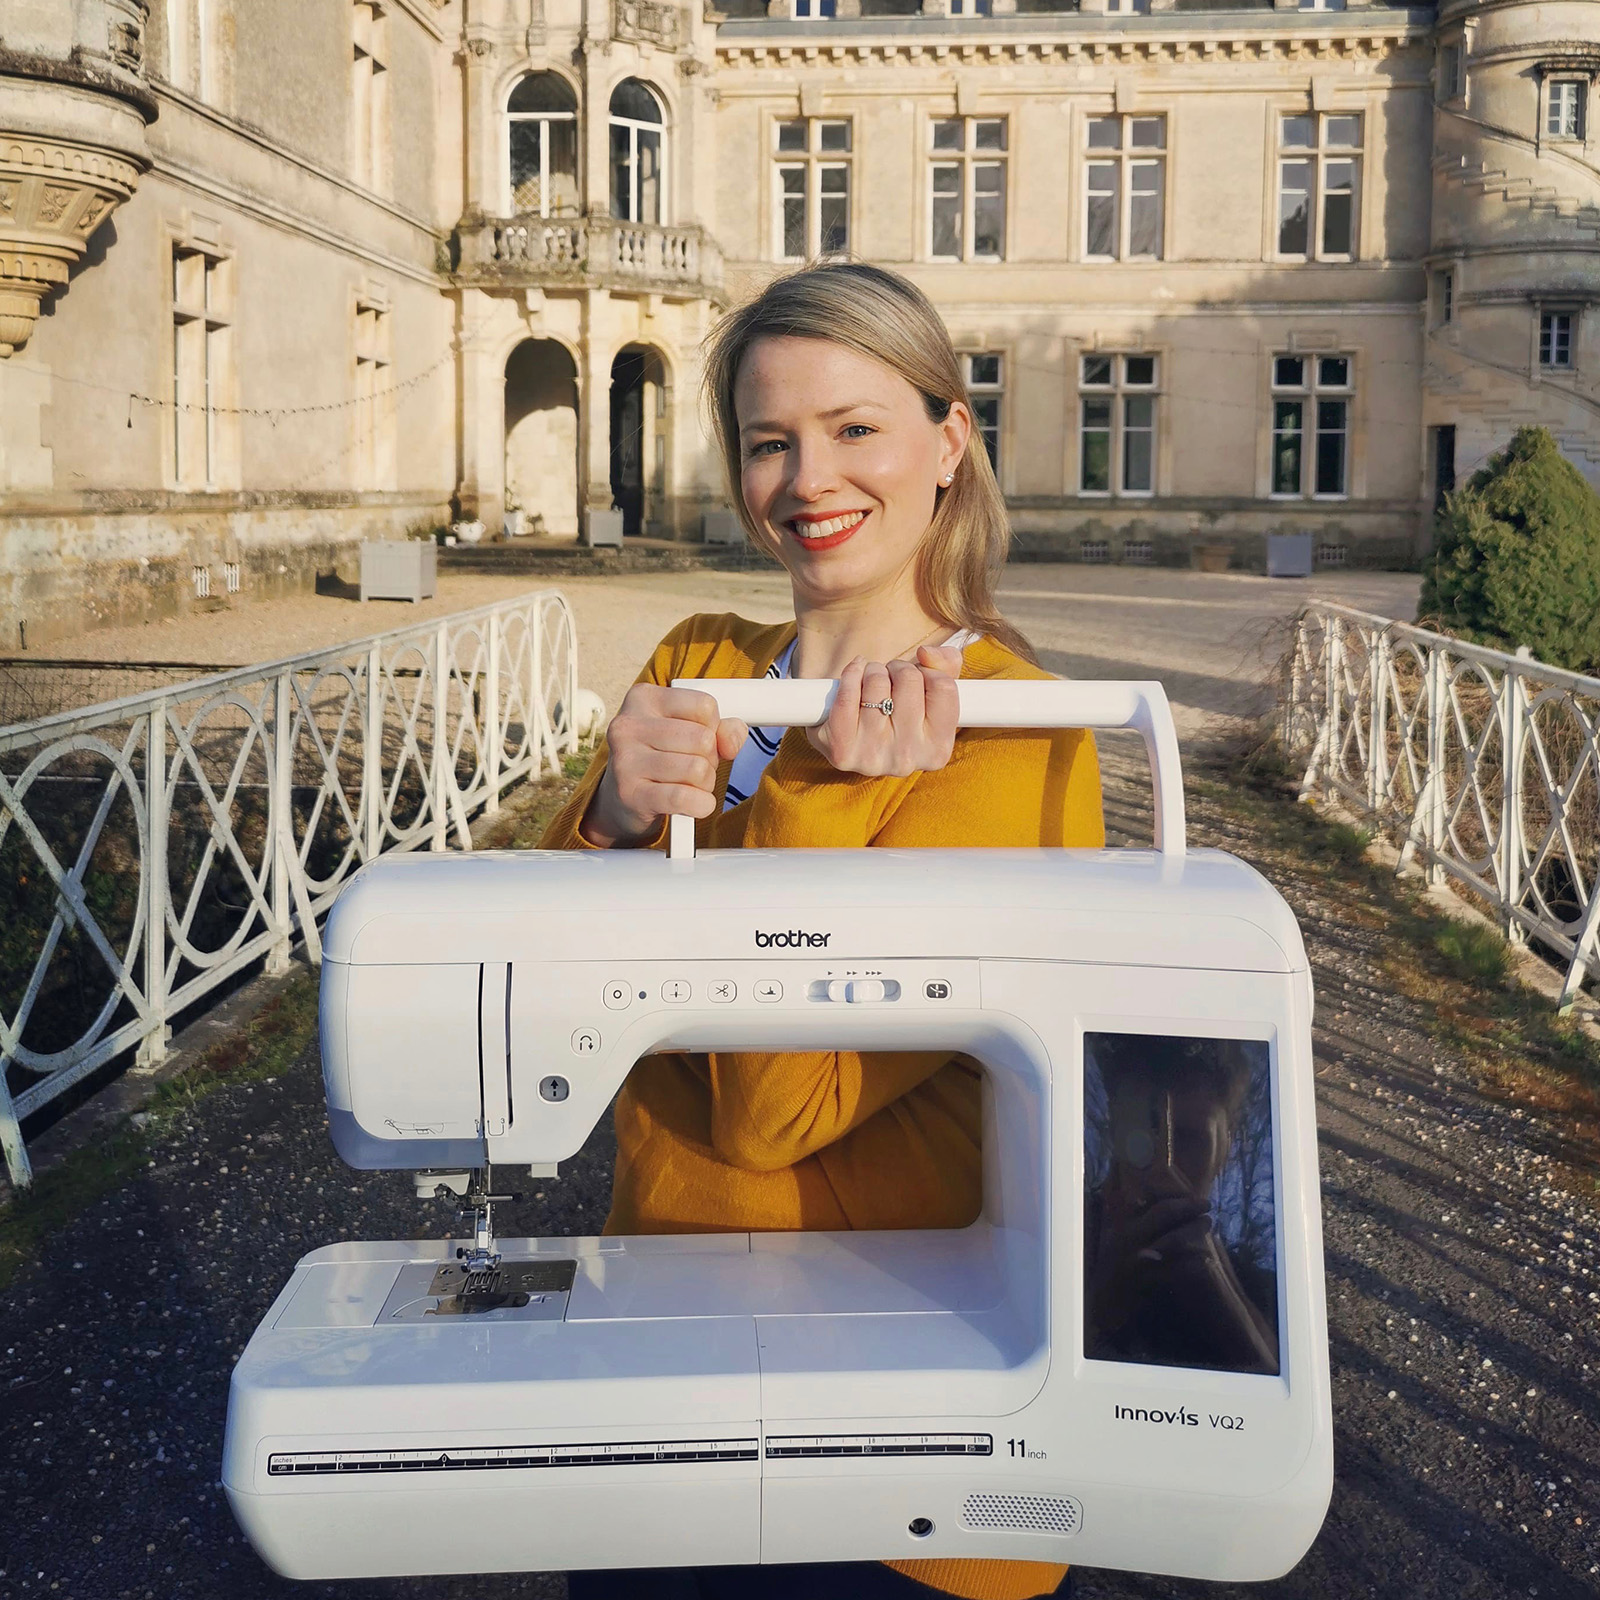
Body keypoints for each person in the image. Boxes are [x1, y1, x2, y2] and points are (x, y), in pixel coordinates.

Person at [544, 261, 1103, 1600]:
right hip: (661, 1352)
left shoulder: (1014, 730)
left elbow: (774, 1115)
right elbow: (543, 997)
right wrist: (610, 818)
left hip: (895, 1437)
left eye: (855, 429)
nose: (808, 480)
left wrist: (809, 797)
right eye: (769, 442)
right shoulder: (699, 661)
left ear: (947, 441)